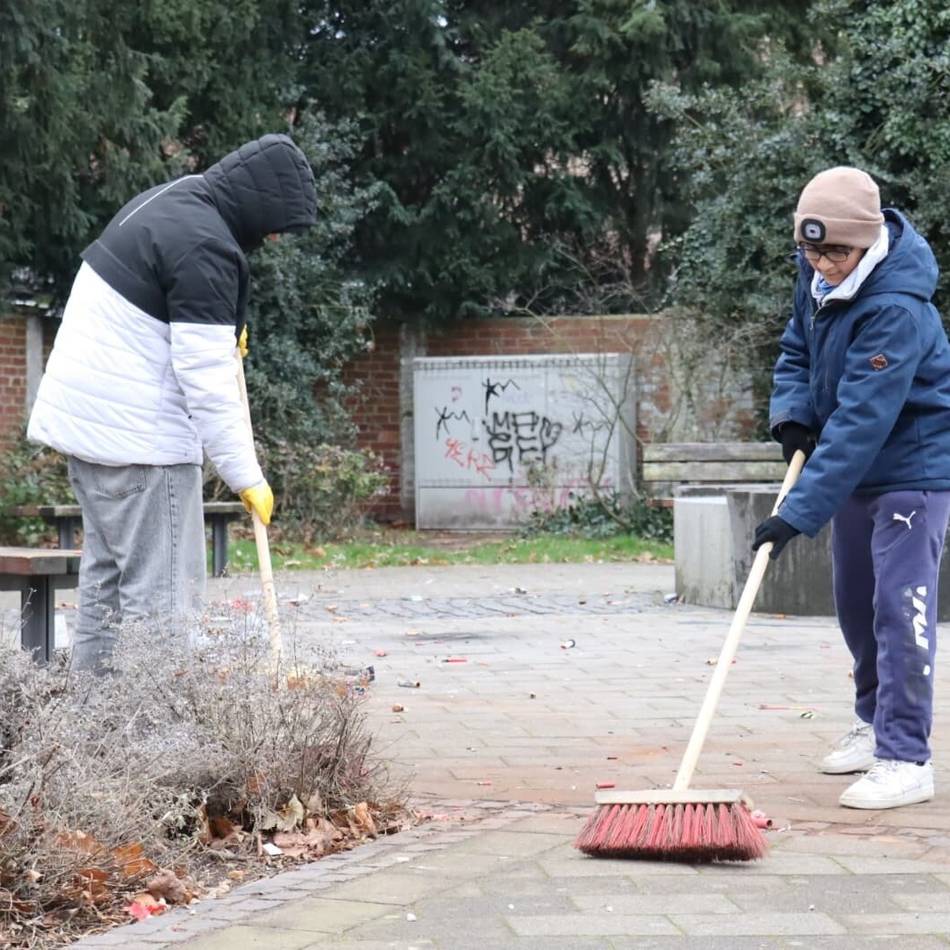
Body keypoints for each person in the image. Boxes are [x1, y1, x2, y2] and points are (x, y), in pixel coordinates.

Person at [27, 133, 316, 672]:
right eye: (277, 226)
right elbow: (204, 378)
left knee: (106, 598)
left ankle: (96, 736)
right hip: (144, 448)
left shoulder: (172, 200)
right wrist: (244, 474)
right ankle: (157, 746)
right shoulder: (205, 244)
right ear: (260, 207)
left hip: (91, 440)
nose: (274, 239)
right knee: (162, 611)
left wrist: (225, 330)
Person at [752, 166, 950, 809]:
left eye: (837, 251)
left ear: (867, 243)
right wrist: (793, 421)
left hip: (912, 475)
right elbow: (796, 352)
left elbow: (865, 418)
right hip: (858, 472)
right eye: (811, 250)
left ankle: (905, 756)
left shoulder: (896, 307)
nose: (823, 264)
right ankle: (872, 725)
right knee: (855, 604)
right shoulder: (814, 277)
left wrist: (794, 513)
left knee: (900, 610)